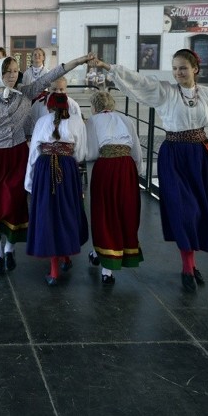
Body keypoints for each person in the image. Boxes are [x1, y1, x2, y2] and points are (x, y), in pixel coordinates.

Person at [90, 49, 208, 292]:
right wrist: (109, 68)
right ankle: (188, 266)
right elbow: (140, 82)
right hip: (175, 158)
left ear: (195, 69)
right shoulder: (167, 92)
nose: (178, 72)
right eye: (175, 68)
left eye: (183, 68)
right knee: (185, 211)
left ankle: (190, 264)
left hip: (202, 157)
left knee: (202, 211)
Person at [0, 53, 92, 275]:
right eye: (7, 72)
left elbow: (52, 75)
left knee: (14, 205)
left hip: (18, 155)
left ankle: (10, 249)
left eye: (15, 71)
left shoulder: (26, 93)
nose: (12, 75)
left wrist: (77, 61)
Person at [25, 86, 89, 286]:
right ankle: (66, 257)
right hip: (67, 169)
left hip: (45, 170)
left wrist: (29, 181)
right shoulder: (78, 122)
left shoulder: (42, 122)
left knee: (48, 213)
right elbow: (81, 153)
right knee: (67, 211)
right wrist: (67, 159)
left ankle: (53, 271)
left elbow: (34, 155)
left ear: (49, 107)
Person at [84, 90, 144, 285]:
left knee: (105, 212)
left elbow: (91, 152)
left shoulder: (92, 122)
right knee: (124, 211)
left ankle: (107, 268)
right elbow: (136, 150)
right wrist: (137, 171)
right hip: (127, 168)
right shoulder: (127, 119)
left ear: (94, 107)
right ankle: (101, 253)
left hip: (107, 168)